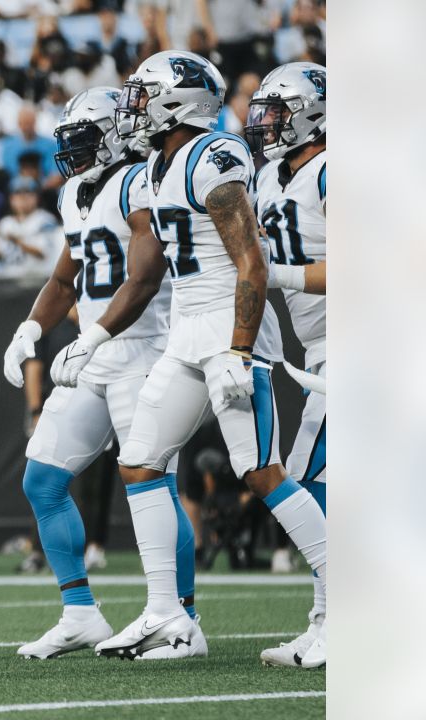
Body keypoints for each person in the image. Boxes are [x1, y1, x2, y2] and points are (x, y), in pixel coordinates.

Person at [94, 51, 327, 660]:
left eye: (144, 95)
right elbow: (145, 272)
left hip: (230, 331)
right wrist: (94, 335)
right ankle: (167, 617)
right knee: (141, 460)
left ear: (178, 101)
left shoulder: (212, 156)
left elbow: (252, 261)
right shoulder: (154, 164)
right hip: (186, 333)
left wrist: (239, 350)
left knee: (260, 472)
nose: (133, 107)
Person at [2, 86, 183, 659]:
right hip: (96, 355)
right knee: (42, 478)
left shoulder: (138, 182)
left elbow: (144, 277)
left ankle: (182, 618)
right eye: (69, 143)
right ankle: (80, 612)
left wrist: (95, 333)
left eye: (83, 141)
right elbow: (64, 279)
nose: (73, 154)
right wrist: (30, 329)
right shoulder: (74, 193)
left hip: (145, 349)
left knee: (152, 485)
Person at [245, 62, 327, 668]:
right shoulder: (271, 176)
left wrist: (276, 275)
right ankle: (327, 621)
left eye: (278, 112)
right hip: (319, 344)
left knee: (315, 484)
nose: (267, 125)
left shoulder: (333, 170)